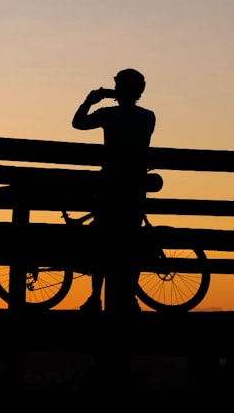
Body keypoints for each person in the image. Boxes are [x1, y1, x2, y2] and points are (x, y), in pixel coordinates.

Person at [72, 68, 156, 312]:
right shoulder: (148, 117)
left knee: (102, 241)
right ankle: (129, 297)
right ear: (140, 91)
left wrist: (90, 100)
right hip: (136, 186)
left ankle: (95, 297)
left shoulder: (108, 114)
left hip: (110, 184)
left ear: (117, 89)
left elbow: (78, 123)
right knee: (130, 242)